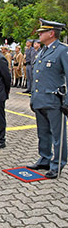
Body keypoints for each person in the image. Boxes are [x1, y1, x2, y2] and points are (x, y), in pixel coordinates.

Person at [27, 19, 68, 179]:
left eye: (42, 32)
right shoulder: (42, 51)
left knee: (58, 135)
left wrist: (67, 101)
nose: (39, 35)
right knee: (43, 133)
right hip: (40, 100)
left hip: (54, 100)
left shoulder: (62, 51)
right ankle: (44, 158)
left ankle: (57, 164)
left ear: (51, 33)